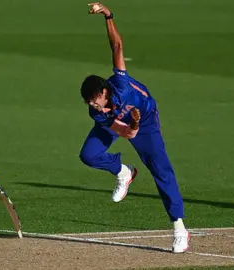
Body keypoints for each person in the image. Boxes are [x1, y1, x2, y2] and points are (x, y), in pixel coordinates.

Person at [79, 3, 190, 253]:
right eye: (88, 103)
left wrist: (108, 15)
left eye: (94, 101)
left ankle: (180, 229)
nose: (92, 106)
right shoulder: (96, 112)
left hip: (146, 118)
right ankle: (123, 172)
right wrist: (131, 123)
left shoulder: (120, 84)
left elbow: (117, 46)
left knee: (161, 170)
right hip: (129, 122)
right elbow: (127, 133)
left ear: (103, 92)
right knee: (88, 155)